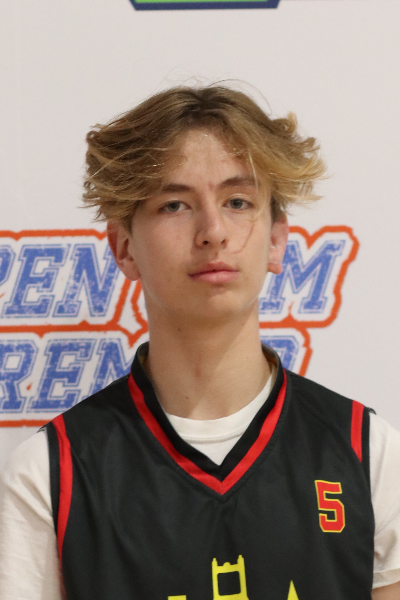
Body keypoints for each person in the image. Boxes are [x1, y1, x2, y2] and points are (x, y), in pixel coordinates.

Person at [1, 85, 400, 600]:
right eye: (174, 205)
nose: (213, 231)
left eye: (238, 202)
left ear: (276, 240)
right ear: (124, 248)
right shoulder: (50, 474)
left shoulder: (368, 452)